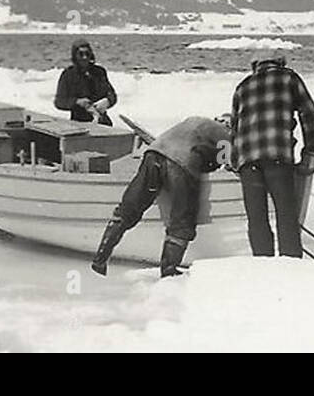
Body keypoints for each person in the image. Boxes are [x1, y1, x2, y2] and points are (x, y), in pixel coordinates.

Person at [90, 114, 233, 277]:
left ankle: (100, 259)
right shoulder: (225, 135)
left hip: (153, 154)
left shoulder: (194, 120)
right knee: (182, 220)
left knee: (128, 209)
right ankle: (168, 270)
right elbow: (225, 162)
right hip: (182, 164)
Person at [230, 51, 314, 258]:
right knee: (286, 213)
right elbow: (310, 114)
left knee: (257, 218)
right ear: (280, 62)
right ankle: (290, 264)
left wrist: (235, 162)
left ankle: (263, 264)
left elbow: (234, 130)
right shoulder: (288, 78)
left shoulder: (242, 87)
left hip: (248, 161)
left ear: (256, 65)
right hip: (277, 156)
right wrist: (311, 149)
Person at [54, 39, 117, 125]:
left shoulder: (99, 72)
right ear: (75, 56)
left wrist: (107, 101)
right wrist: (77, 102)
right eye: (81, 54)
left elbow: (112, 95)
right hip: (79, 123)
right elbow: (59, 102)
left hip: (102, 122)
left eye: (87, 54)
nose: (85, 57)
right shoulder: (68, 74)